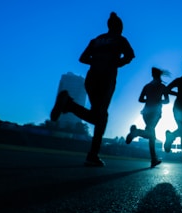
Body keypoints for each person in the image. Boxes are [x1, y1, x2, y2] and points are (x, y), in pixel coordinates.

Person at [50, 12, 135, 167]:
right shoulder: (120, 39)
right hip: (106, 78)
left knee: (99, 115)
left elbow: (82, 58)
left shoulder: (96, 40)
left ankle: (69, 106)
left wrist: (96, 60)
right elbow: (130, 56)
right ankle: (92, 154)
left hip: (91, 78)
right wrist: (115, 63)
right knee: (101, 117)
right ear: (119, 27)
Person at [126, 67, 169, 168]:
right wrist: (159, 101)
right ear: (159, 75)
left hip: (146, 112)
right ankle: (136, 132)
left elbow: (140, 99)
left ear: (152, 75)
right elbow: (167, 101)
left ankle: (153, 159)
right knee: (151, 135)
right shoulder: (162, 87)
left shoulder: (147, 86)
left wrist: (149, 100)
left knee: (151, 136)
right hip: (156, 113)